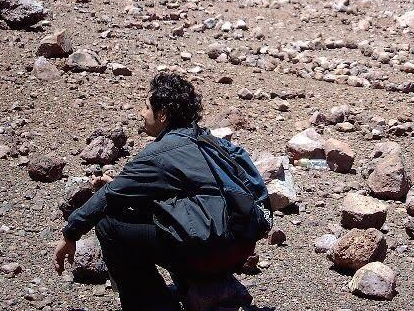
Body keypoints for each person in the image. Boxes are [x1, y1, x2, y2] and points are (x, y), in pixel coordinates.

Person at [53, 72, 267, 310]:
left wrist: (70, 233)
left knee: (108, 224)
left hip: (211, 251)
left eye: (146, 107)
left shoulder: (159, 153)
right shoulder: (208, 140)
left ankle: (151, 304)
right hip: (241, 245)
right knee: (151, 212)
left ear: (163, 114)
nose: (142, 113)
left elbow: (110, 196)